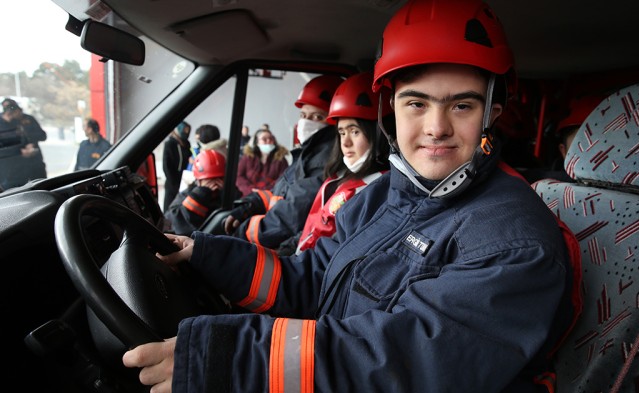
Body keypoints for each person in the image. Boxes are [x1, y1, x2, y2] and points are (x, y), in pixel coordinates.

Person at [123, 1, 575, 391]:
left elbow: (409, 361)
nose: (437, 128)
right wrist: (205, 254)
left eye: (461, 105)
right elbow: (311, 280)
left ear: (491, 114)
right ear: (391, 109)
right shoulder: (387, 195)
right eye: (417, 103)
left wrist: (231, 360)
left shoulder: (514, 240)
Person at [222, 74, 345, 250]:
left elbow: (289, 217)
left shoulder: (326, 159)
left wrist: (240, 234)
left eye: (317, 117)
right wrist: (249, 206)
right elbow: (277, 193)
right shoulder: (307, 153)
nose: (306, 122)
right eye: (303, 115)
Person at [289, 71, 391, 254]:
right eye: (342, 133)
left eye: (354, 131)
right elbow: (313, 229)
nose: (345, 142)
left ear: (378, 135)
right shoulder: (341, 176)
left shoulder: (378, 190)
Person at [164, 149, 226, 236]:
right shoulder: (187, 196)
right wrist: (202, 194)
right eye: (209, 180)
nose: (215, 184)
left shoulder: (229, 195)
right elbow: (173, 222)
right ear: (198, 181)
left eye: (219, 179)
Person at [2, 98, 47, 181]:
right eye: (11, 113)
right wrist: (20, 151)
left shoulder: (28, 119)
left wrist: (30, 140)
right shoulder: (4, 124)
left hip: (34, 164)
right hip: (10, 170)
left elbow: (43, 136)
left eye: (17, 111)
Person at [235, 128, 289, 197]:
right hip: (248, 197)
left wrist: (264, 192)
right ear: (257, 142)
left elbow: (283, 179)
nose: (268, 141)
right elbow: (238, 176)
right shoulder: (247, 158)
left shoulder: (281, 160)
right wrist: (251, 190)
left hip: (271, 198)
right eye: (264, 139)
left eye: (271, 138)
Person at [162, 121, 192, 211]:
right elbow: (166, 166)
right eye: (185, 130)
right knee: (170, 208)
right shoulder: (170, 144)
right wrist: (173, 183)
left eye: (188, 130)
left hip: (185, 181)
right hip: (173, 183)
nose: (186, 132)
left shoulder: (187, 143)